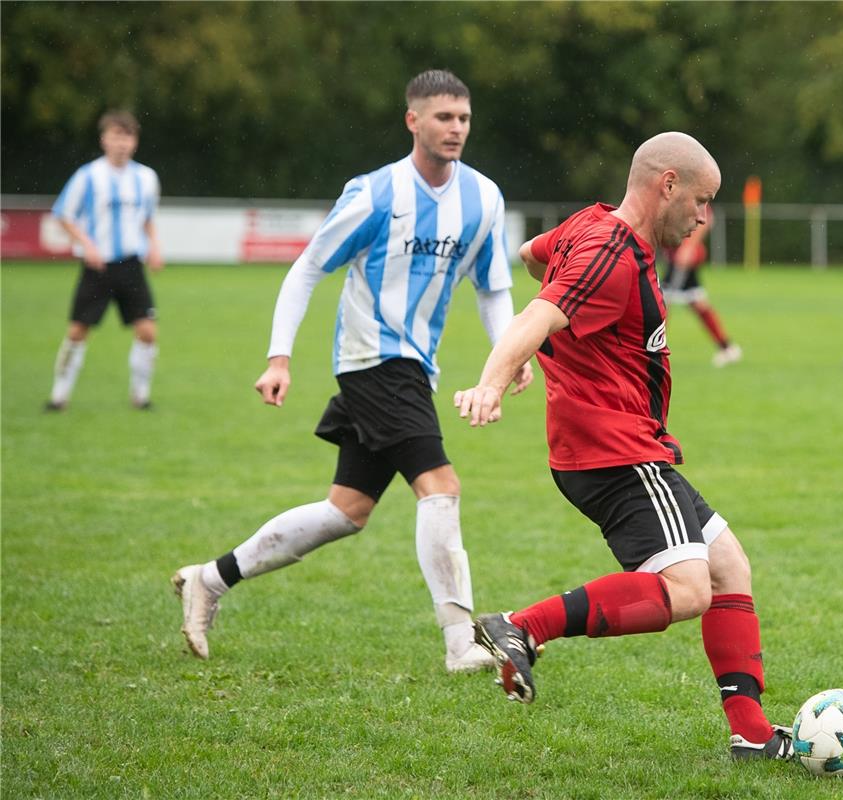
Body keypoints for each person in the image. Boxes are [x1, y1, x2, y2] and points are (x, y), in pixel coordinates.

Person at [171, 69, 533, 673]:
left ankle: (209, 579)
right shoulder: (375, 194)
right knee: (440, 486)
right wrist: (278, 356)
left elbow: (494, 289)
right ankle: (461, 642)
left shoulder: (483, 199)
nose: (456, 128)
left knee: (347, 510)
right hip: (373, 361)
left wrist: (509, 353)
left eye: (464, 118)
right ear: (412, 120)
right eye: (443, 117)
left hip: (415, 369)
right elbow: (308, 268)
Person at [454, 132, 792, 760]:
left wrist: (555, 343)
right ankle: (522, 627)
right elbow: (536, 312)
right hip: (617, 450)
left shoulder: (591, 224)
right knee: (691, 589)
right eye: (700, 199)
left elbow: (533, 257)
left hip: (616, 447)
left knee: (728, 567)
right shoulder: (608, 256)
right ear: (668, 184)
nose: (703, 216)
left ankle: (749, 732)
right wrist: (493, 381)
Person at [46, 110, 164, 411]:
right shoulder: (88, 176)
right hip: (97, 267)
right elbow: (63, 214)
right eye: (115, 136)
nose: (121, 143)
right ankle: (59, 395)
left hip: (131, 265)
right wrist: (87, 244)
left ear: (135, 141)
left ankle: (141, 394)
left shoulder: (146, 178)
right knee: (77, 331)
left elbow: (147, 218)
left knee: (148, 331)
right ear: (104, 140)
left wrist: (154, 246)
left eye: (127, 136)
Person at [660, 205, 742, 367]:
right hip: (676, 259)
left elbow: (707, 216)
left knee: (661, 305)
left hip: (682, 261)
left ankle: (651, 351)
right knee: (696, 303)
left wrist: (689, 247)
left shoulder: (689, 192)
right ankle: (727, 347)